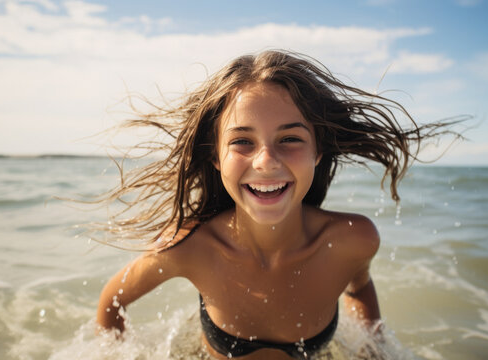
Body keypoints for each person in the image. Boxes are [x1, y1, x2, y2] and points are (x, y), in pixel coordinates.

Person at [94, 50, 457, 359]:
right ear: (216, 157)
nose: (266, 161)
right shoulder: (189, 246)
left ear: (318, 151)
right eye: (242, 142)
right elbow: (111, 304)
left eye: (289, 138)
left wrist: (372, 349)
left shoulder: (352, 239)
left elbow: (359, 287)